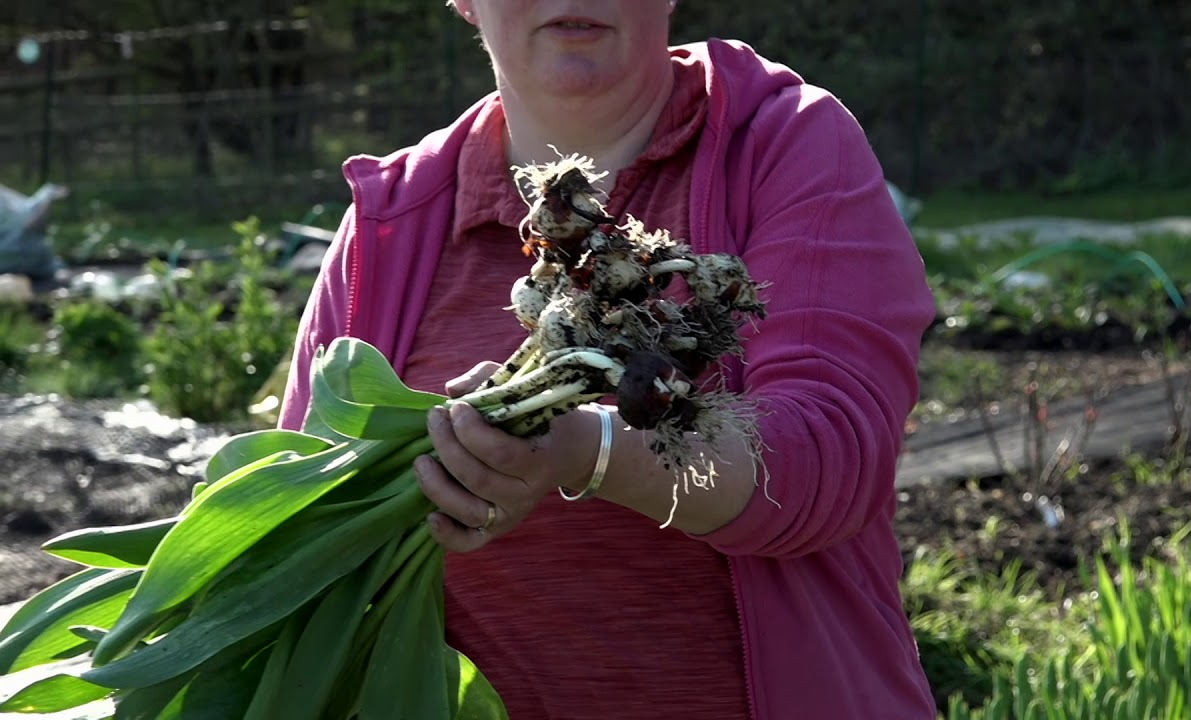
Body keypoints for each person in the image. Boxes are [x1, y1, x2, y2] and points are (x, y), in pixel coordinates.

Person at [278, 1, 938, 717]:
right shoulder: (394, 217)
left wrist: (588, 450)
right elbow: (299, 525)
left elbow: (828, 459)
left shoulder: (787, 144)